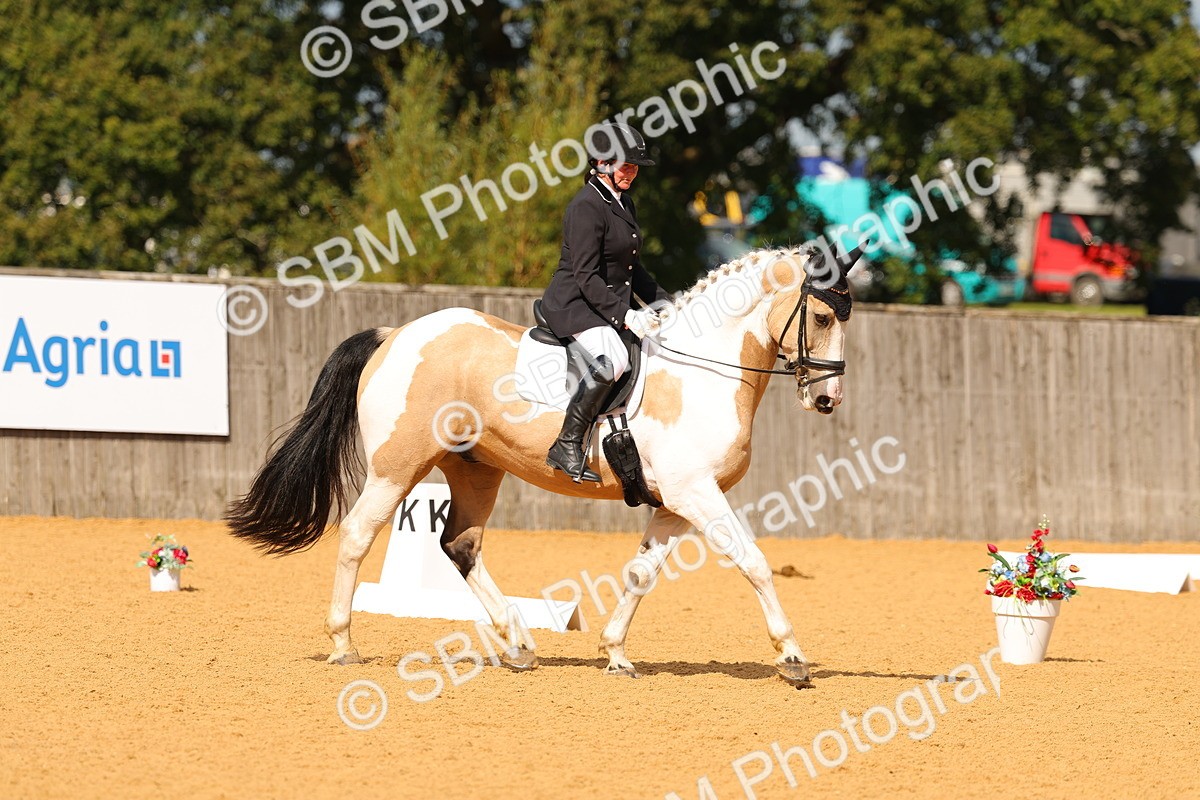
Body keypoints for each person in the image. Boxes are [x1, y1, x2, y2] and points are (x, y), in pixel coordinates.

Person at [540, 123, 670, 482]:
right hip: (575, 302)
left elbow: (633, 267)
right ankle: (566, 443)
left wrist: (667, 304)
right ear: (601, 162)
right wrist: (625, 314)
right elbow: (585, 275)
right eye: (626, 165)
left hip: (604, 303)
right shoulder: (585, 206)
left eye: (635, 166)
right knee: (613, 358)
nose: (632, 172)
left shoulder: (623, 201)